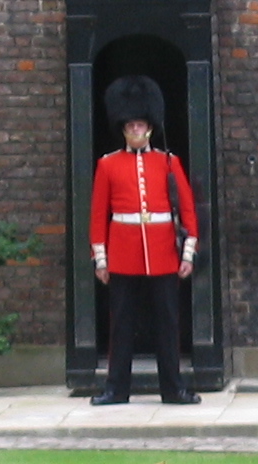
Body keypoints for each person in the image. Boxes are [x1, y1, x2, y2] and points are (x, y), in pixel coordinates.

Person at [89, 75, 201, 406]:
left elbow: (187, 209)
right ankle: (116, 388)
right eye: (131, 125)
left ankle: (173, 388)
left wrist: (188, 253)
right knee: (121, 325)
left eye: (140, 125)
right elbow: (98, 215)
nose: (136, 130)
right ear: (123, 128)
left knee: (167, 323)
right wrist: (101, 258)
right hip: (123, 254)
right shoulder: (108, 165)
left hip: (163, 252)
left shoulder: (168, 162)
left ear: (149, 127)